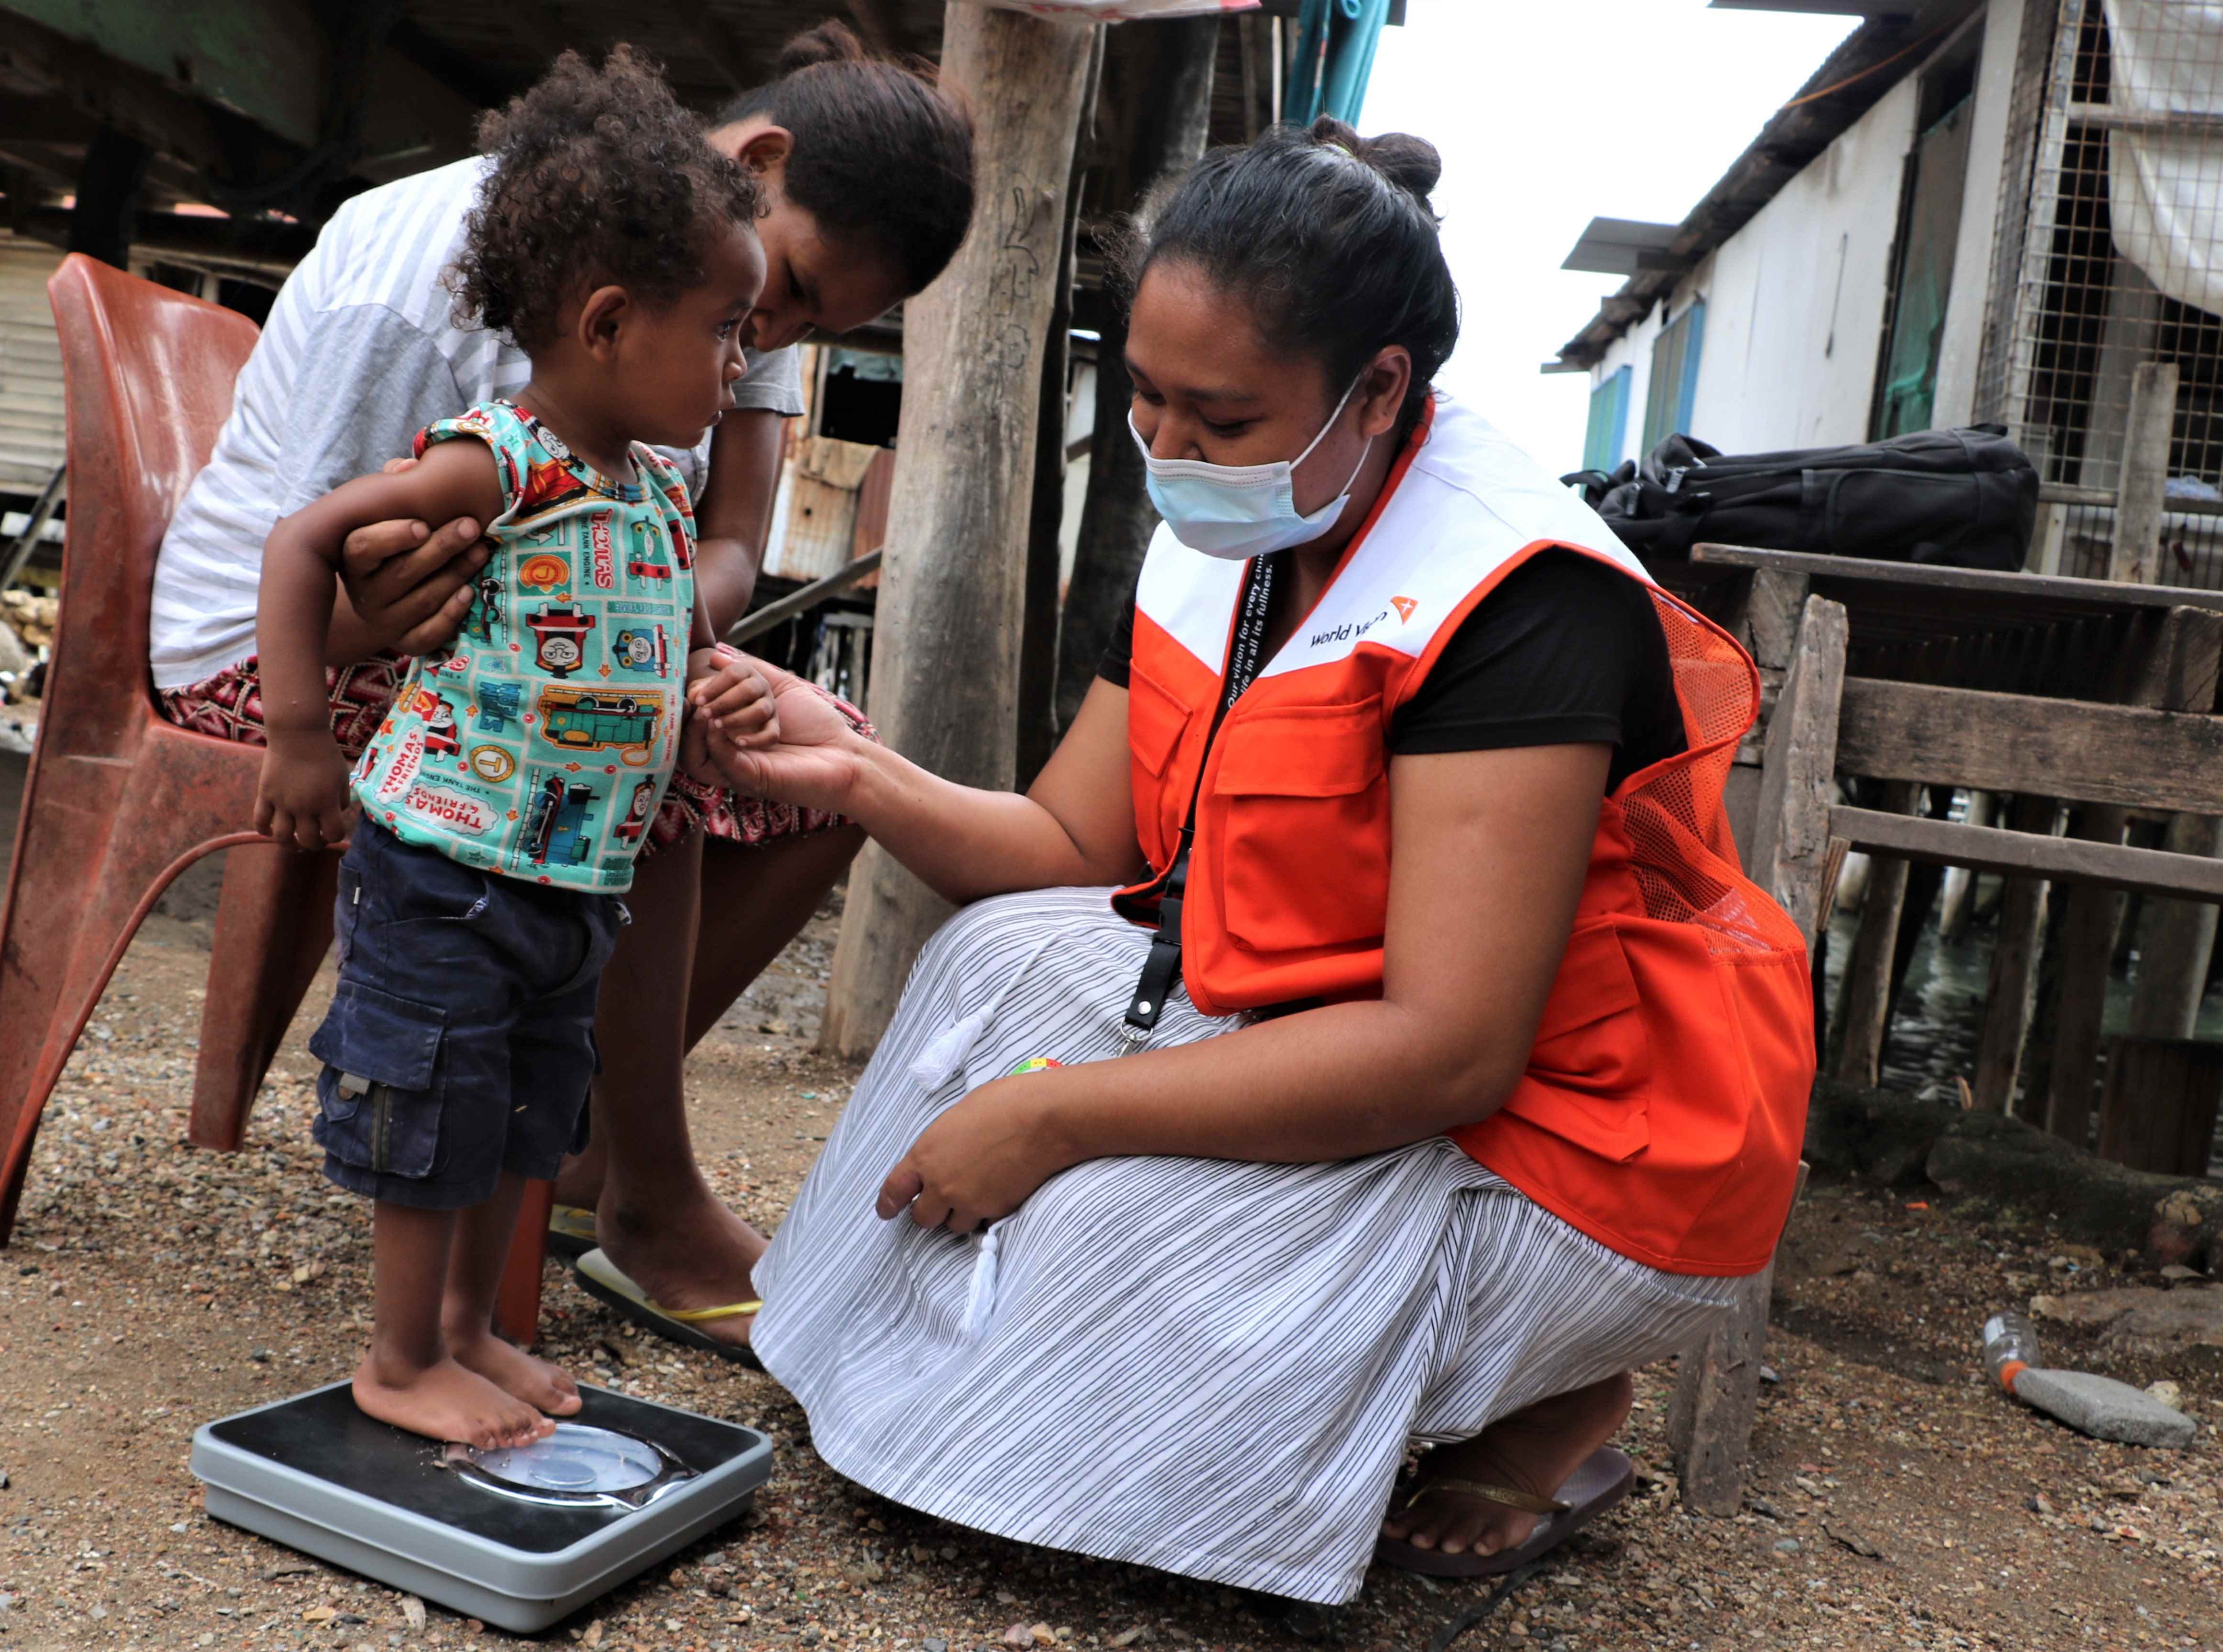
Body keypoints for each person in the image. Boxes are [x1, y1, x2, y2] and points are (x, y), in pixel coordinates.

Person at [693, 121, 1816, 1605]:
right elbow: (1070, 848)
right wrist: (858, 770)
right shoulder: (1227, 511)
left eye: (1216, 417)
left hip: (1573, 1135)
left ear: (1377, 391)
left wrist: (1055, 1121)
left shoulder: (1518, 595)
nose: (1164, 448)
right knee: (995, 956)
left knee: (1092, 1216)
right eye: (1143, 396)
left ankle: (1548, 1383)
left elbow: (1446, 1050)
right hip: (1320, 1021)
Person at [145, 22, 975, 1356]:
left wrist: (638, 630)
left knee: (818, 759)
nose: (773, 339)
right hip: (284, 639)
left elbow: (726, 554)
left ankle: (571, 1132)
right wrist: (590, 646)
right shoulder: (426, 275)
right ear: (758, 164)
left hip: (536, 614)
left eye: (811, 322)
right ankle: (641, 1187)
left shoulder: (724, 281)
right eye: (791, 296)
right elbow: (326, 573)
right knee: (622, 760)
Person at [250, 48, 780, 1451]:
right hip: (444, 864)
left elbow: (632, 649)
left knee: (522, 1117)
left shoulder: (652, 491)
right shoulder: (505, 462)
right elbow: (304, 539)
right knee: (431, 1112)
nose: (740, 367)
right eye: (727, 330)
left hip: (564, 878)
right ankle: (397, 1352)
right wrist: (300, 734)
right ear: (608, 321)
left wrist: (693, 734)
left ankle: (475, 1326)